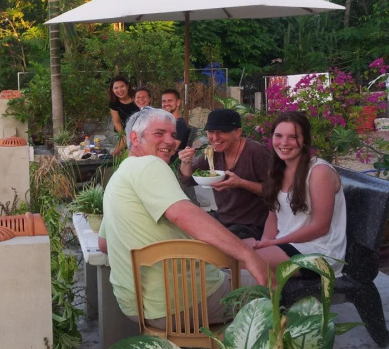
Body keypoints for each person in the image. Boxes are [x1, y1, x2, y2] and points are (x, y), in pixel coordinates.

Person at [97, 107, 269, 326]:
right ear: (135, 138)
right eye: (159, 133)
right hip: (183, 302)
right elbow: (183, 214)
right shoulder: (150, 164)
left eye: (173, 134)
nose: (170, 141)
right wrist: (247, 255)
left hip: (137, 307)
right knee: (274, 286)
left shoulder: (119, 176)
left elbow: (103, 244)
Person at [243, 111, 347, 277]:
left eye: (293, 137)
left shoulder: (319, 171)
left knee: (242, 261)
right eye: (278, 136)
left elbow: (320, 227)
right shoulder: (277, 170)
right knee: (226, 253)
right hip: (286, 244)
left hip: (318, 252)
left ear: (304, 140)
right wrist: (265, 242)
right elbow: (273, 216)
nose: (284, 142)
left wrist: (273, 243)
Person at [178, 108, 270, 240]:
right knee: (183, 229)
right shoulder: (214, 152)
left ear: (238, 132)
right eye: (211, 132)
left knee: (211, 242)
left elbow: (274, 191)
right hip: (223, 218)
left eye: (222, 131)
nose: (215, 138)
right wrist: (186, 162)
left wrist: (241, 183)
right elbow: (188, 180)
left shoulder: (257, 153)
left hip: (251, 225)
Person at [108, 75, 139, 156]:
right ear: (112, 90)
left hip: (141, 130)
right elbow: (117, 122)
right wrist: (123, 135)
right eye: (116, 88)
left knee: (121, 152)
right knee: (122, 151)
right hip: (127, 131)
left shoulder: (137, 97)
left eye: (122, 86)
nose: (119, 90)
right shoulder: (113, 103)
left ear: (127, 86)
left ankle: (114, 155)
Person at [161, 88, 189, 159]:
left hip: (171, 162)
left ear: (178, 103)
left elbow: (171, 150)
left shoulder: (179, 124)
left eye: (170, 101)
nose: (166, 104)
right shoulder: (165, 123)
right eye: (164, 101)